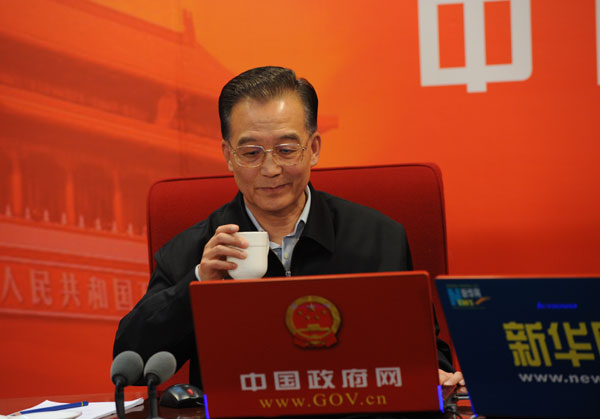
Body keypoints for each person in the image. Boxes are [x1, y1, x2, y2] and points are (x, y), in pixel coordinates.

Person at [113, 66, 464, 387]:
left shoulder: (379, 238)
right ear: (228, 155)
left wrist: (435, 376)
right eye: (251, 153)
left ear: (314, 148)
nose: (270, 170)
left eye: (286, 149)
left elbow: (429, 354)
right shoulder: (196, 252)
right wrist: (198, 283)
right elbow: (132, 361)